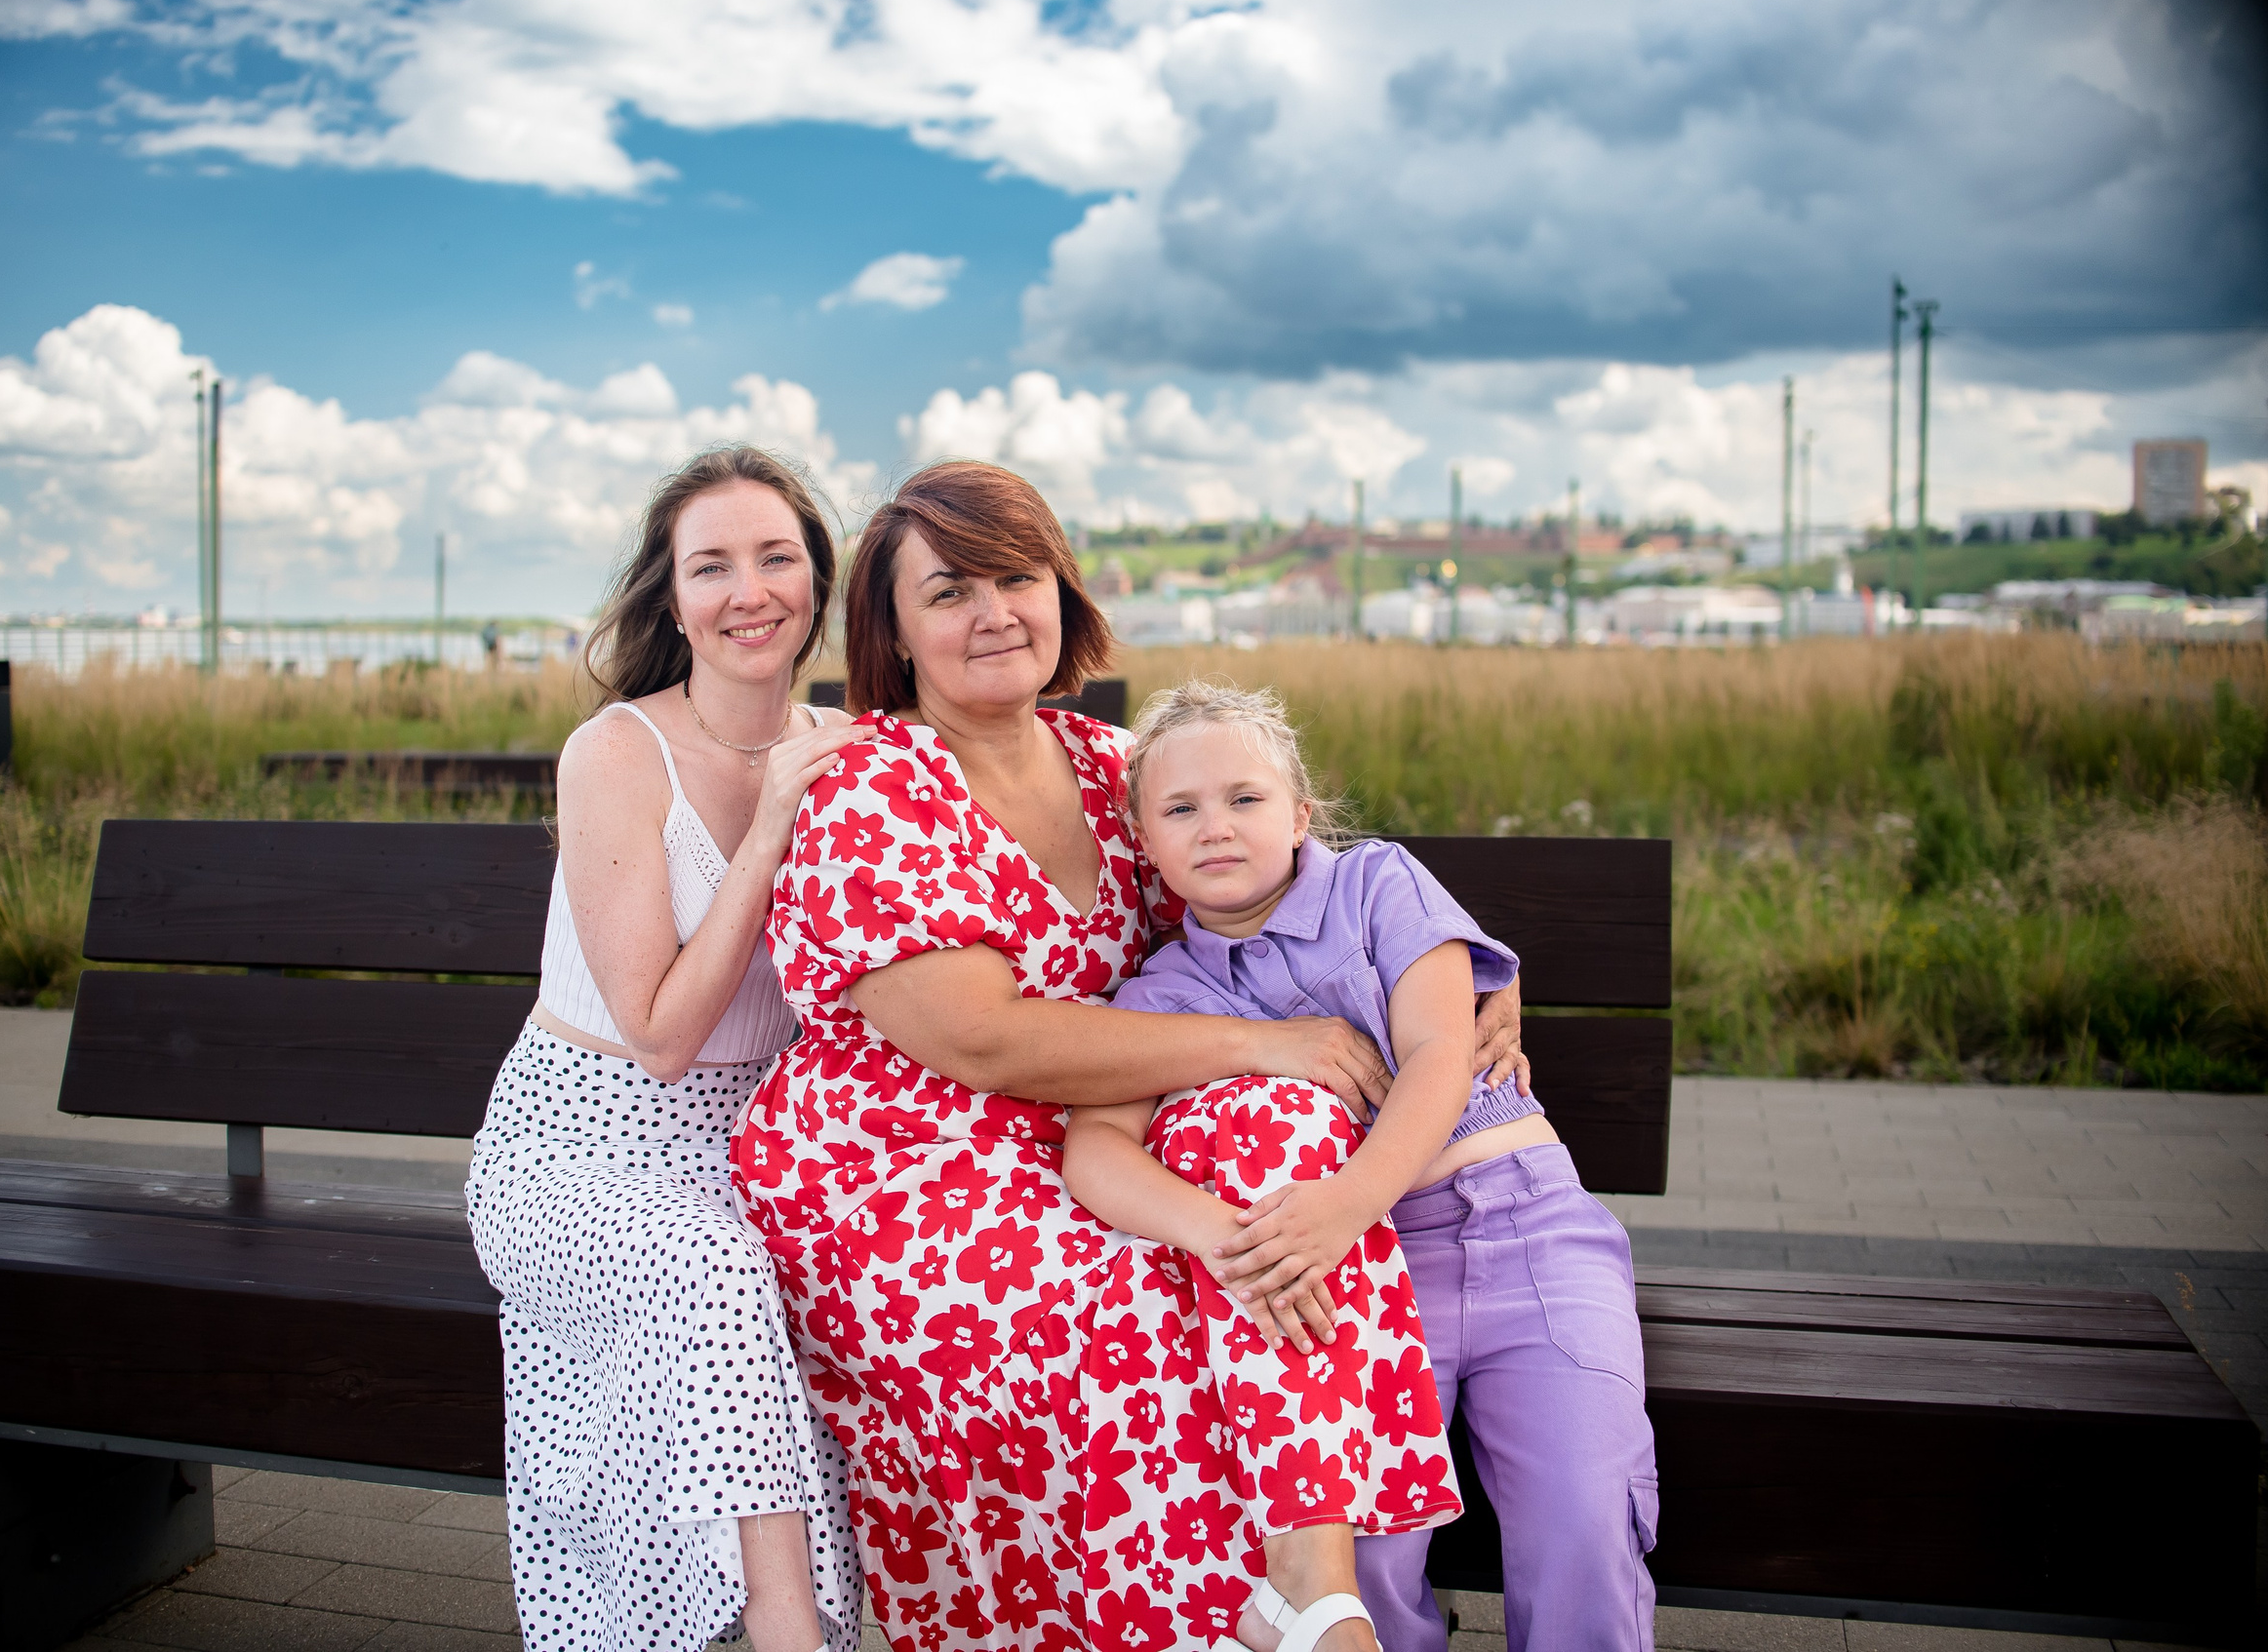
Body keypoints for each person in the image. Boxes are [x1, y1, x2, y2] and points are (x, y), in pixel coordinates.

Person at [731, 460, 1528, 1652]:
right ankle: (1206, 1621)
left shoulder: (1113, 766)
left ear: (1061, 592)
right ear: (892, 630)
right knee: (1143, 1317)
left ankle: (1312, 1592)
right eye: (948, 590)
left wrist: (1474, 987)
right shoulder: (874, 786)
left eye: (1018, 576)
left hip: (1091, 1133)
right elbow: (983, 1037)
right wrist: (1264, 1044)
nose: (994, 610)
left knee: (1276, 1167)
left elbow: (1292, 885)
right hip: (902, 1172)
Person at [1076, 679, 1658, 1652]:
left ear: (1302, 814)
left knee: (1581, 1516)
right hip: (1362, 1280)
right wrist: (1217, 1234)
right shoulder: (1161, 990)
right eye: (1179, 807)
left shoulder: (1376, 883)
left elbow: (1436, 1052)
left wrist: (1345, 1198)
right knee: (1363, 1550)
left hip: (1527, 1231)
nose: (1215, 826)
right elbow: (1095, 1147)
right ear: (1142, 838)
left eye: (1245, 798)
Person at [466, 446, 874, 1652]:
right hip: (571, 1151)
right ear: (672, 595)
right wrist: (774, 826)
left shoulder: (855, 746)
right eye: (712, 565)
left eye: (776, 558)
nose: (748, 590)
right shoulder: (616, 752)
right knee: (713, 1279)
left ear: (816, 582)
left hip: (756, 1148)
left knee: (882, 1285)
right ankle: (789, 1628)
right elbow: (656, 1030)